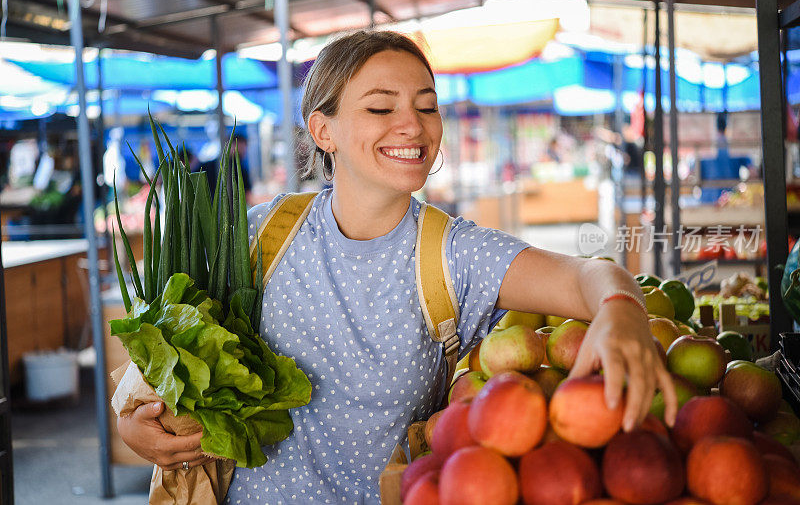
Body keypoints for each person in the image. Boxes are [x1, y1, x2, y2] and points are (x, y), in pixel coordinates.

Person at [117, 31, 677, 504]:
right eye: (381, 108)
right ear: (323, 131)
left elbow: (586, 276)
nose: (412, 125)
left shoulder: (453, 255)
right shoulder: (259, 235)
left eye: (427, 106)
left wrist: (621, 308)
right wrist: (135, 425)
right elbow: (168, 355)